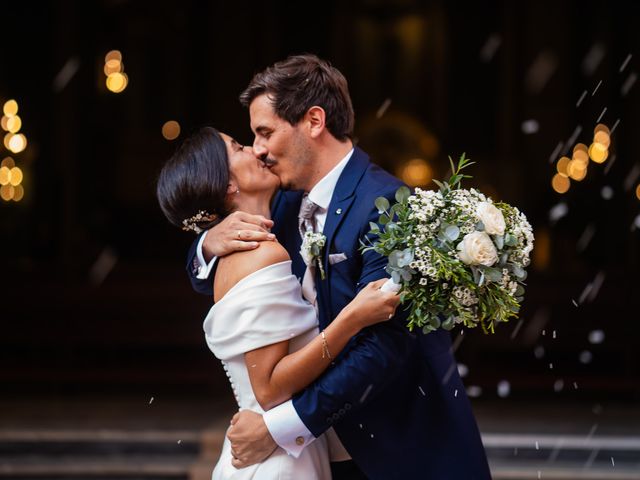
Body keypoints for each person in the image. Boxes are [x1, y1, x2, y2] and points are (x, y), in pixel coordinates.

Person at [187, 55, 491, 479]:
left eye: (265, 132)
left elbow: (382, 349)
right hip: (317, 457)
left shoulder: (390, 207)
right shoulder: (279, 200)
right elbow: (224, 275)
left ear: (314, 120)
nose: (257, 149)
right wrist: (207, 243)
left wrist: (280, 427)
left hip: (396, 452)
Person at [157, 126, 400, 479]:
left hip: (294, 441)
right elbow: (269, 389)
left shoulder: (277, 217)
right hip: (279, 450)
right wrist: (353, 319)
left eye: (263, 133)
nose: (257, 150)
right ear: (227, 185)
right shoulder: (259, 254)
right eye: (241, 145)